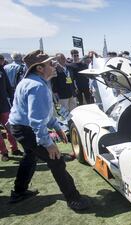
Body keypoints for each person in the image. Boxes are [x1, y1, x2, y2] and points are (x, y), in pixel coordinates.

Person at [8, 50, 89, 210]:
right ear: (39, 68)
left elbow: (45, 113)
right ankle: (74, 199)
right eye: (50, 63)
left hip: (19, 127)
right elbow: (36, 121)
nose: (54, 66)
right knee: (56, 160)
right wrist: (48, 143)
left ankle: (19, 192)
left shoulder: (35, 81)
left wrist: (57, 128)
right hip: (26, 129)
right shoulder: (37, 86)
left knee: (30, 156)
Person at [0, 57, 22, 161]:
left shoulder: (2, 70)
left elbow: (8, 86)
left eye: (2, 60)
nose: (1, 62)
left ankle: (15, 148)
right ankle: (4, 152)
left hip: (4, 105)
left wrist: (12, 99)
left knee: (10, 128)